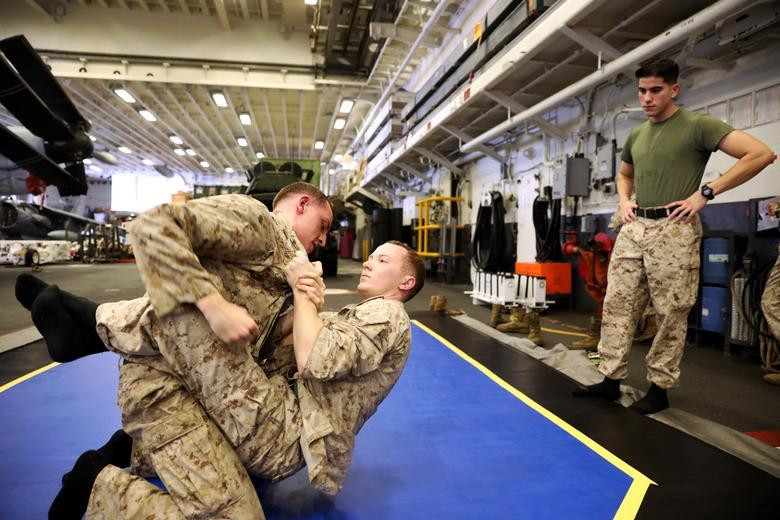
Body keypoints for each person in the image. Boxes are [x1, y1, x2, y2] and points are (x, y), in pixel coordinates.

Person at [20, 239, 424, 518]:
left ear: (405, 284)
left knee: (201, 328)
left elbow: (316, 356)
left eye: (383, 260)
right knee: (224, 326)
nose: (369, 261)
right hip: (282, 419)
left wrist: (302, 291)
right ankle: (100, 342)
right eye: (371, 256)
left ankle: (92, 327)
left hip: (287, 430)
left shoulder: (388, 313)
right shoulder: (364, 314)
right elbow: (292, 334)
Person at [573, 58, 776, 414]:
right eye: (642, 91)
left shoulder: (697, 125)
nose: (647, 98)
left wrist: (705, 194)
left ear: (673, 89)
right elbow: (624, 175)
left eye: (655, 90)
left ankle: (659, 388)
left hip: (673, 228)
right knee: (617, 305)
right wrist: (624, 201)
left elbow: (760, 154)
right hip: (634, 227)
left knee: (670, 311)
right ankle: (610, 379)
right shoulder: (637, 134)